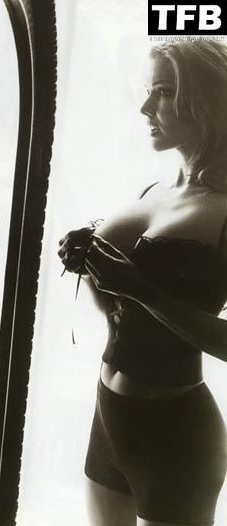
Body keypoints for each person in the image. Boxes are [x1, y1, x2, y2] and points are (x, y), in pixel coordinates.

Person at [58, 39, 227, 526]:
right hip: (109, 417)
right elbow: (122, 313)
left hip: (176, 433)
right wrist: (88, 263)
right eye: (148, 91)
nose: (145, 107)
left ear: (207, 101)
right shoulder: (156, 190)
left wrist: (140, 288)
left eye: (164, 92)